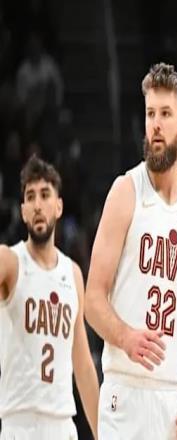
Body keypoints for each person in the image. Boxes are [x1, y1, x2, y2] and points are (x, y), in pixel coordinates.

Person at [85, 63, 177, 439]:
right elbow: (92, 299)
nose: (156, 125)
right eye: (150, 114)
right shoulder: (125, 192)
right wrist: (125, 336)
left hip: (173, 400)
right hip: (123, 392)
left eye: (165, 114)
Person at [0, 155, 98, 439]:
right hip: (20, 423)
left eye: (45, 195)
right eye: (30, 197)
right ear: (23, 211)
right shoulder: (10, 262)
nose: (37, 204)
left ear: (58, 206)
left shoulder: (73, 273)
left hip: (63, 424)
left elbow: (83, 366)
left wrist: (103, 433)